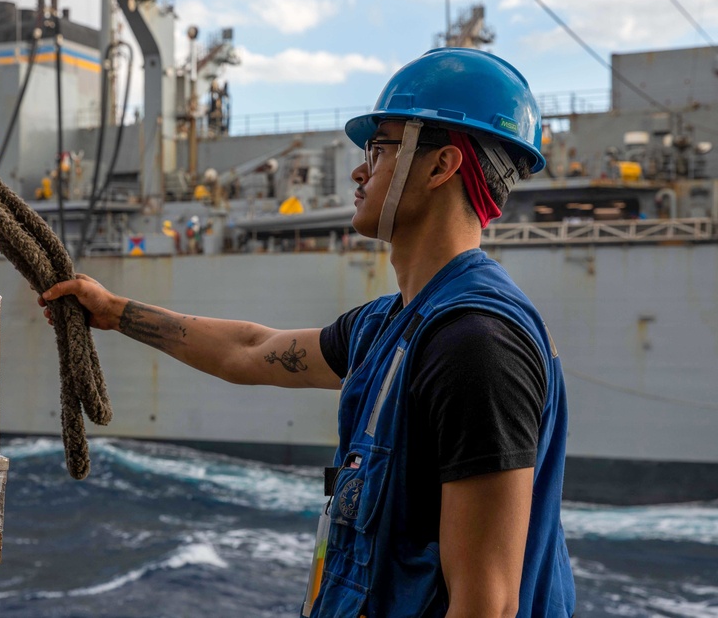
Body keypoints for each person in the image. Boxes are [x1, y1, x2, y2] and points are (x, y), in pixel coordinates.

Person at [39, 48, 575, 617]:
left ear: (442, 166)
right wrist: (114, 311)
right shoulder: (387, 327)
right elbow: (250, 351)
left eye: (380, 148)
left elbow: (487, 603)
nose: (359, 169)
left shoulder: (474, 344)